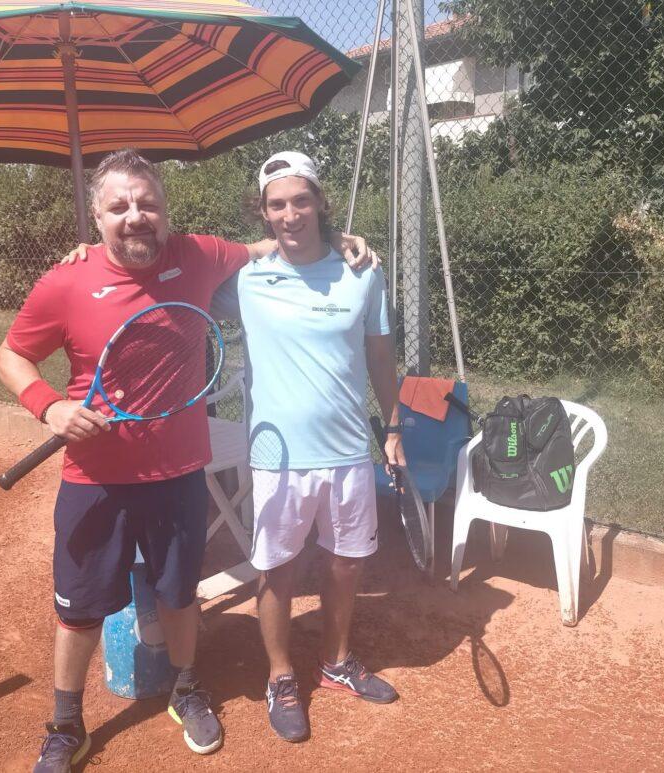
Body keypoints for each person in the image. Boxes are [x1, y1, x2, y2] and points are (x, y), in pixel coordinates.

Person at [0, 148, 372, 772]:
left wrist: (338, 238)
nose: (135, 216)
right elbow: (11, 355)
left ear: (166, 210)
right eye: (119, 207)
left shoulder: (197, 255)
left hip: (177, 475)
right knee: (80, 610)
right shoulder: (65, 280)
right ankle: (65, 724)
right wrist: (49, 406)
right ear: (96, 216)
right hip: (94, 478)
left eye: (148, 203)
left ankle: (187, 689)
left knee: (178, 594)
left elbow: (273, 243)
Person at [223, 151, 405, 742]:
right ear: (263, 212)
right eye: (277, 204)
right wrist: (93, 250)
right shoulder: (246, 277)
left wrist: (394, 428)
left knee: (347, 562)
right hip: (276, 455)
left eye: (301, 200)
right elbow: (171, 264)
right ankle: (280, 677)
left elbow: (381, 357)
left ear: (321, 202)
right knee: (276, 568)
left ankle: (336, 663)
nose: (290, 214)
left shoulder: (362, 272)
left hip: (348, 449)